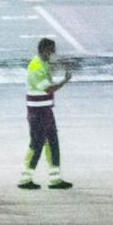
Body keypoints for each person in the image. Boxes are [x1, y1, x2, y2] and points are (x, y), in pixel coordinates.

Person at [20, 36, 72, 189]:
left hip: (45, 111)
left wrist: (62, 63)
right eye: (51, 50)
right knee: (36, 144)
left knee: (53, 143)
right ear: (44, 50)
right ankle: (25, 179)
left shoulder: (43, 62)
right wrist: (65, 80)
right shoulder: (36, 66)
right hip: (37, 113)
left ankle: (55, 179)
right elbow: (49, 88)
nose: (53, 53)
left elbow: (53, 66)